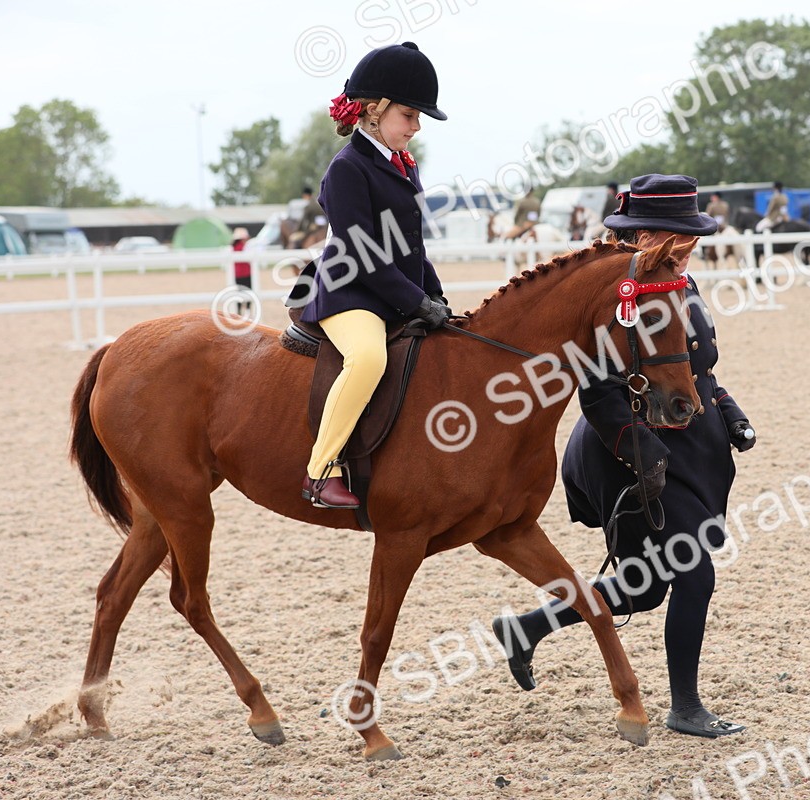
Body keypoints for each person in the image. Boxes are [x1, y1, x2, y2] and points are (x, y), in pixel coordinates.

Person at [492, 174, 758, 739]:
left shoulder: (676, 282)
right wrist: (644, 451)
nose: (692, 247)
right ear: (648, 236)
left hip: (694, 438)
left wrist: (728, 408)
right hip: (628, 444)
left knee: (644, 584)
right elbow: (596, 391)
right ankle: (685, 707)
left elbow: (696, 366)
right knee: (694, 572)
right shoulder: (611, 294)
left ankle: (528, 628)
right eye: (683, 236)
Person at [296, 41, 451, 509]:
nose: (416, 126)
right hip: (349, 292)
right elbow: (362, 255)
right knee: (367, 359)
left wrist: (437, 297)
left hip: (393, 288)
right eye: (409, 115)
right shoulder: (347, 168)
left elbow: (412, 245)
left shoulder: (405, 165)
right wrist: (415, 303)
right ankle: (320, 471)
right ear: (374, 111)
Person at [230, 227, 253, 314]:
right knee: (248, 293)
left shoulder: (233, 248)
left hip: (237, 275)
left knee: (238, 293)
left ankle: (239, 311)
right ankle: (247, 310)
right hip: (246, 274)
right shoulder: (245, 247)